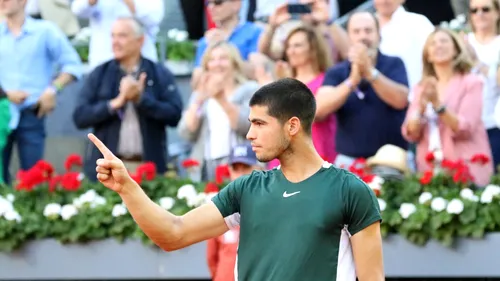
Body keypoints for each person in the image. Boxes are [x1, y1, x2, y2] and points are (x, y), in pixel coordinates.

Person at [87, 78, 384, 281]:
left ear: (292, 126)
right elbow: (172, 233)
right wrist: (126, 187)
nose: (249, 133)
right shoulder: (246, 189)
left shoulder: (350, 191)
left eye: (259, 123)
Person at [206, 143, 263, 281]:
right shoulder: (218, 207)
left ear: (259, 169)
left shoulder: (270, 208)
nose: (240, 175)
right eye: (236, 169)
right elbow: (211, 257)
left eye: (246, 168)